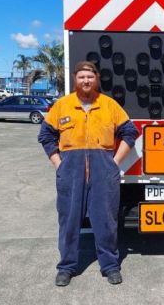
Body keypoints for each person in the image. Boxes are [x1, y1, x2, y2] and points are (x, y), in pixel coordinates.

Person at [38, 61, 138, 287]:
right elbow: (46, 136)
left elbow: (130, 132)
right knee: (69, 221)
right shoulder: (62, 105)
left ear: (97, 79)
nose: (86, 81)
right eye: (82, 77)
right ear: (75, 79)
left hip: (104, 170)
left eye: (90, 77)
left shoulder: (109, 105)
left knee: (106, 220)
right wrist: (58, 164)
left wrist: (115, 162)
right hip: (70, 171)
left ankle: (110, 266)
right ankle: (66, 267)